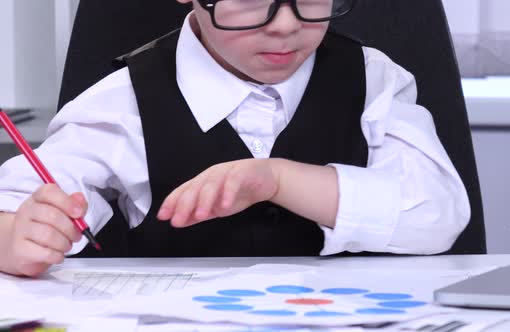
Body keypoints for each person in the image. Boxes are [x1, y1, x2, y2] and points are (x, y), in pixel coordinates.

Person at [0, 0, 470, 277]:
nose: (285, 24)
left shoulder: (374, 80)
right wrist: (16, 236)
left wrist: (276, 180)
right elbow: (15, 205)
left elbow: (436, 215)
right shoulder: (122, 102)